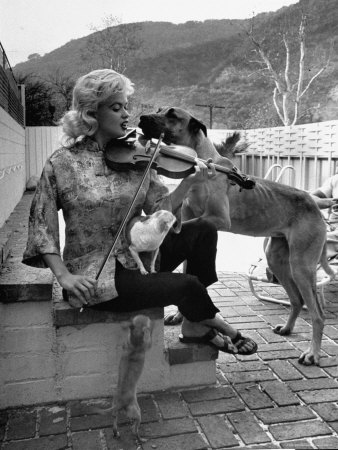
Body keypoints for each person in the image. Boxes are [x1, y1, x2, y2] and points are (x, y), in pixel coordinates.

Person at [22, 68, 257, 355]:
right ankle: (216, 324)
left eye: (126, 107)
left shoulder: (138, 158)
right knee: (188, 286)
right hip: (99, 277)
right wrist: (64, 277)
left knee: (204, 230)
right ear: (91, 114)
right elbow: (41, 227)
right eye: (116, 107)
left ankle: (196, 325)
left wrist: (189, 183)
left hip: (142, 258)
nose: (126, 115)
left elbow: (161, 212)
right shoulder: (63, 163)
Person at [311, 171, 338, 262]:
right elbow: (311, 197)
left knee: (320, 241)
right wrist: (329, 201)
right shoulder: (335, 180)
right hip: (332, 225)